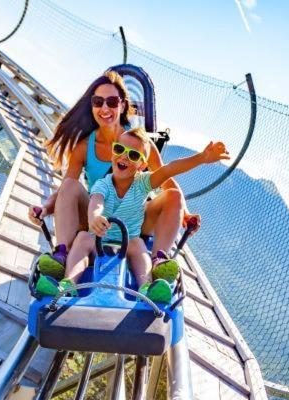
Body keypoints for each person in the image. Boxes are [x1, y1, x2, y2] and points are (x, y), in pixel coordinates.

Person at [29, 71, 202, 283]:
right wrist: (45, 208)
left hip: (132, 218)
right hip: (96, 216)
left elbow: (166, 180)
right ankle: (61, 254)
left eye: (111, 102)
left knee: (174, 195)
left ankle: (159, 261)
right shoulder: (84, 147)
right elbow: (67, 188)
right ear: (91, 106)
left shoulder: (140, 142)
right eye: (98, 101)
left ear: (122, 105)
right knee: (72, 184)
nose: (104, 109)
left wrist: (185, 212)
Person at [36, 128, 229, 302]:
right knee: (82, 238)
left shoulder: (143, 183)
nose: (124, 157)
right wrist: (94, 217)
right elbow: (96, 202)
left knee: (139, 247)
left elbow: (170, 168)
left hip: (128, 242)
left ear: (142, 165)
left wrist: (202, 158)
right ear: (114, 151)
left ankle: (147, 286)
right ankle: (67, 283)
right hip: (98, 240)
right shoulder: (104, 184)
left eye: (133, 155)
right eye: (120, 150)